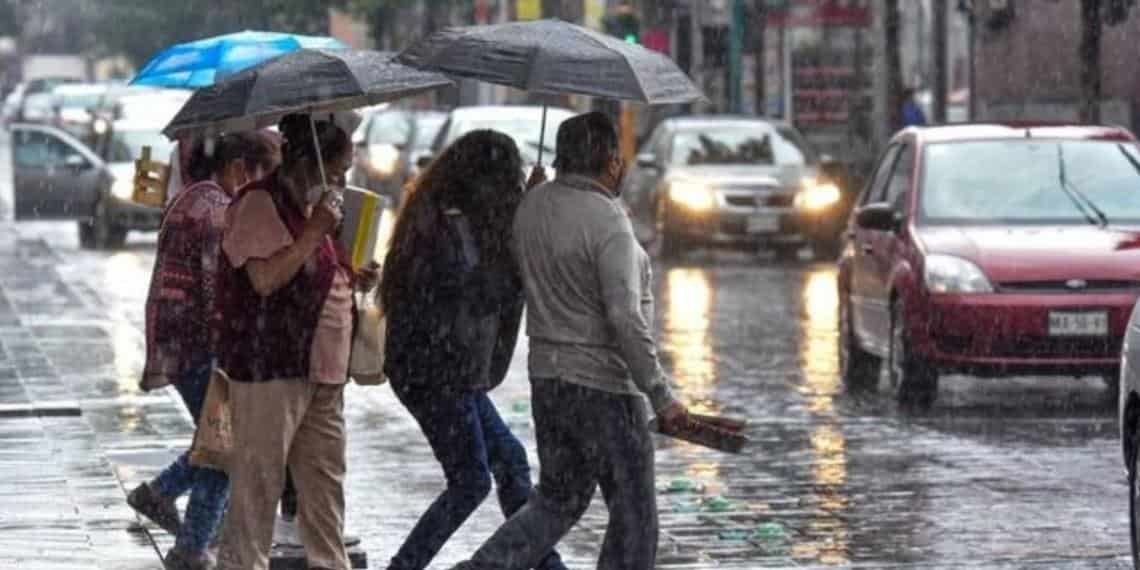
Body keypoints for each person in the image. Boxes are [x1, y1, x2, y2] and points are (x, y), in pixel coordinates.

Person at [453, 112, 689, 570]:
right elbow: (624, 317)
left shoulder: (531, 208)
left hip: (549, 382)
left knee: (556, 501)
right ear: (607, 159)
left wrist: (536, 194)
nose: (621, 165)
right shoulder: (609, 222)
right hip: (605, 389)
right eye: (617, 155)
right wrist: (660, 394)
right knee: (634, 517)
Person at [379, 130, 565, 570]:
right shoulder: (445, 226)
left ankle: (546, 565)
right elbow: (481, 291)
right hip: (433, 374)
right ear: (487, 181)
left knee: (511, 462)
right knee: (470, 481)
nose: (517, 183)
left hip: (450, 372)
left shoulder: (459, 220)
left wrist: (524, 212)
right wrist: (521, 218)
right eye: (512, 177)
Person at [214, 111, 377, 570]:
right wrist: (314, 232)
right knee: (258, 485)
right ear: (310, 162)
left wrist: (349, 275)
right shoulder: (258, 204)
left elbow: (311, 271)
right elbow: (265, 278)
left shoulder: (317, 209)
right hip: (271, 366)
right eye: (338, 170)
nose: (342, 180)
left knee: (325, 487)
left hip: (323, 370)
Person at [128, 131, 281, 570]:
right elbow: (220, 293)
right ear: (238, 169)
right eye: (261, 179)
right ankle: (189, 542)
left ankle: (169, 508)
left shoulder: (191, 197)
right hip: (199, 346)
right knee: (225, 446)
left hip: (179, 342)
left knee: (218, 440)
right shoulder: (217, 211)